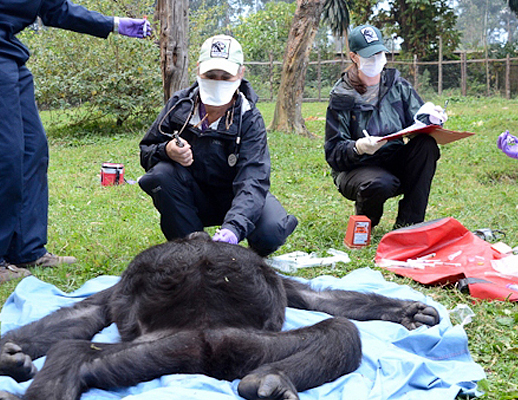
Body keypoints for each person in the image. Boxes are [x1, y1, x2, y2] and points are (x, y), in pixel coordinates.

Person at [0, 1, 151, 283]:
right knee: (1, 155)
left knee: (33, 150)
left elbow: (57, 9)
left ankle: (25, 249)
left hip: (6, 52)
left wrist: (114, 24)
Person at [138, 35, 297, 257]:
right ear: (198, 70)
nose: (218, 81)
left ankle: (239, 240)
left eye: (226, 76)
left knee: (271, 231)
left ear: (241, 74)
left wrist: (234, 228)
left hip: (235, 194)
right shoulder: (179, 105)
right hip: (191, 196)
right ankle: (193, 249)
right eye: (211, 75)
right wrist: (167, 150)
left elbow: (254, 179)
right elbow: (146, 151)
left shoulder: (249, 117)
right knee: (160, 176)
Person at [324, 25, 447, 229]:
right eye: (369, 55)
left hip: (393, 158)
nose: (376, 59)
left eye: (379, 53)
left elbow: (419, 119)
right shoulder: (342, 95)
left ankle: (409, 225)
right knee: (379, 183)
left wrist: (433, 117)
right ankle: (365, 224)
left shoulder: (397, 85)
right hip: (357, 169)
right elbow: (334, 153)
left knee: (426, 145)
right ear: (354, 57)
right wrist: (358, 147)